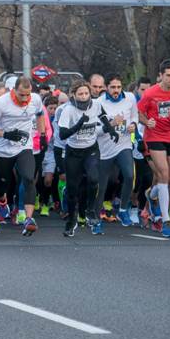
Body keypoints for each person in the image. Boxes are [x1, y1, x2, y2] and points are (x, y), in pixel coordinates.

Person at [0, 76, 46, 236]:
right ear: (13, 91)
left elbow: (40, 115)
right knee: (1, 184)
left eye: (27, 94)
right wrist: (6, 134)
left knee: (28, 178)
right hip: (2, 149)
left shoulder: (36, 99)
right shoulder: (1, 103)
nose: (25, 98)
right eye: (21, 95)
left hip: (24, 146)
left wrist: (42, 134)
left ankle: (28, 219)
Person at [58, 80, 117, 236]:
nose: (84, 97)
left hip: (90, 149)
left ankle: (90, 210)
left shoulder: (96, 105)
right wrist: (78, 124)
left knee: (93, 179)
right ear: (74, 95)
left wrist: (112, 131)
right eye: (80, 94)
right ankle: (71, 221)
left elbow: (104, 118)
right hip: (73, 153)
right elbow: (62, 135)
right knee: (72, 190)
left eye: (86, 93)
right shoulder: (68, 110)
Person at [137, 59, 170, 238]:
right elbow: (139, 113)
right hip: (155, 136)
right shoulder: (150, 93)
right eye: (169, 76)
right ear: (161, 76)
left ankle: (152, 194)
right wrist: (146, 121)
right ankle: (165, 220)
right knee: (163, 174)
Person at [96, 74, 138, 227]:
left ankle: (123, 209)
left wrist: (133, 124)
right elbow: (96, 131)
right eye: (113, 87)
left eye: (119, 87)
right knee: (102, 184)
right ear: (107, 87)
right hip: (105, 149)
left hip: (124, 144)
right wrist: (111, 124)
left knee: (129, 175)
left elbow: (135, 116)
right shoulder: (98, 103)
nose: (116, 90)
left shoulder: (130, 98)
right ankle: (96, 214)